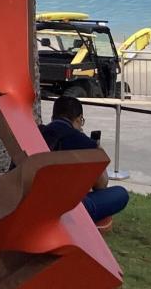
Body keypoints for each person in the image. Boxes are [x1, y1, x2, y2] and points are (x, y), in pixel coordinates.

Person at [42, 95, 129, 225]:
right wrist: (96, 148)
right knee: (120, 193)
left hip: (34, 203)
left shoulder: (38, 131)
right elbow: (101, 184)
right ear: (79, 120)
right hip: (67, 210)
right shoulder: (83, 142)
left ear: (53, 117)